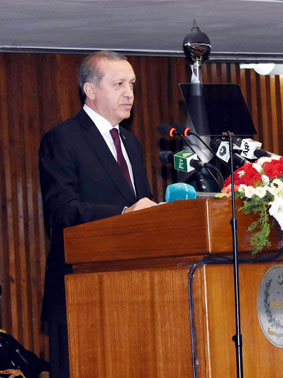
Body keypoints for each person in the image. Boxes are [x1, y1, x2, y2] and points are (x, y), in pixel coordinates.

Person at [39, 51, 157, 378]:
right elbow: (60, 209)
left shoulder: (131, 143)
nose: (129, 93)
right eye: (118, 84)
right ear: (90, 91)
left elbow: (141, 206)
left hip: (131, 290)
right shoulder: (62, 139)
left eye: (132, 84)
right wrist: (123, 212)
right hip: (80, 291)